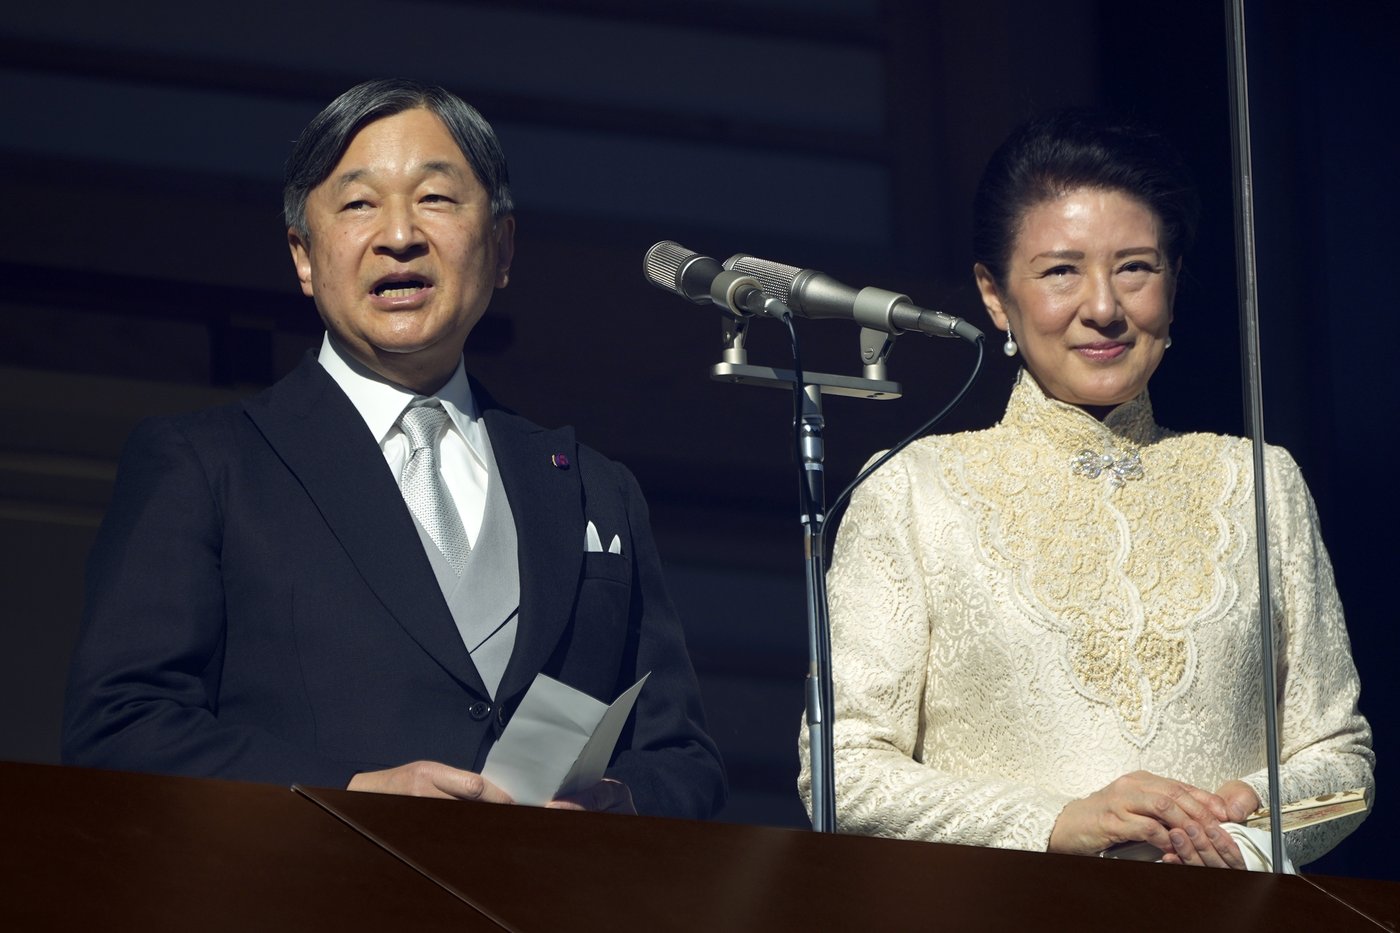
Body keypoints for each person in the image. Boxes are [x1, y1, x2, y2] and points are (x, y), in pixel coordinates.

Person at [62, 78, 725, 819]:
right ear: (304, 256)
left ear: (502, 246)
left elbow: (683, 759)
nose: (400, 233)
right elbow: (119, 728)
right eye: (358, 203)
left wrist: (618, 800)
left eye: (436, 198)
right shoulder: (207, 465)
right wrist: (344, 793)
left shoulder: (595, 490)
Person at [801, 110, 1372, 867]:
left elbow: (1343, 766)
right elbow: (840, 774)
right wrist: (1056, 821)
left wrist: (1246, 827)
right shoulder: (911, 490)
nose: (1103, 306)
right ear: (995, 295)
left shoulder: (1262, 481)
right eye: (1061, 270)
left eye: (1135, 266)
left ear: (1173, 284)